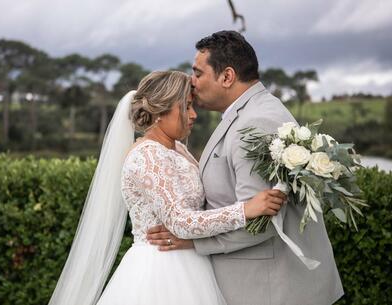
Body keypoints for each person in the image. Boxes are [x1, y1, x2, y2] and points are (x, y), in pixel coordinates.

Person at [47, 70, 286, 305]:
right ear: (160, 111)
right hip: (160, 270)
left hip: (193, 265)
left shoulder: (177, 149)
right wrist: (245, 210)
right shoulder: (147, 156)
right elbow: (180, 221)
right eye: (186, 107)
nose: (193, 115)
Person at [147, 30, 344, 305]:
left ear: (226, 77)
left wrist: (193, 241)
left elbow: (262, 222)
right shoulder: (253, 110)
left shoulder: (254, 123)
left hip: (271, 290)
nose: (191, 82)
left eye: (198, 73)